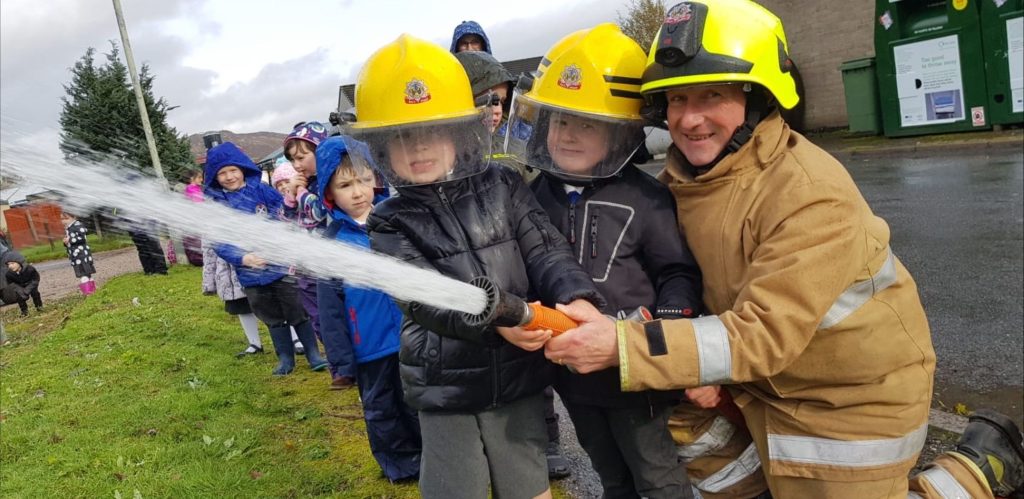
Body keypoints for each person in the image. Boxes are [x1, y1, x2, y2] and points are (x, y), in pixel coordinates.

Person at [543, 1, 1024, 499]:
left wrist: (623, 346)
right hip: (753, 386)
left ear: (758, 101)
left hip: (845, 400)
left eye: (713, 95)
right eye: (677, 99)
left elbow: (764, 333)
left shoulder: (810, 191)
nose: (690, 119)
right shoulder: (676, 185)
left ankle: (979, 467)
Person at [346, 34, 605, 499]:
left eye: (431, 131)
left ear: (459, 132)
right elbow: (422, 299)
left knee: (528, 481)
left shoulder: (504, 183)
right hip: (443, 380)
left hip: (517, 368)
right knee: (454, 486)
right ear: (380, 148)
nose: (418, 147)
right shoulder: (388, 220)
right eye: (401, 137)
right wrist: (497, 324)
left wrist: (575, 295)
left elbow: (546, 248)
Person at [506, 23, 702, 498]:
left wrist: (668, 325)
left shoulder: (647, 198)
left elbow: (677, 272)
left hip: (637, 376)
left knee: (657, 476)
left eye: (588, 124)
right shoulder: (531, 197)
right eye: (562, 121)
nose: (569, 136)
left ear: (621, 133)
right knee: (609, 474)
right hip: (571, 374)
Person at [314, 135, 421, 481]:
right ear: (329, 193)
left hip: (411, 340)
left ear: (377, 178)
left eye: (363, 179)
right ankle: (400, 464)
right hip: (369, 349)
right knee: (381, 409)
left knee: (417, 402)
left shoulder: (397, 224)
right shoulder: (331, 245)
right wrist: (342, 361)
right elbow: (329, 310)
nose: (358, 191)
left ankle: (431, 456)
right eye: (345, 184)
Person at [203, 141, 327, 376]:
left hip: (280, 267)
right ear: (214, 177)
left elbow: (283, 215)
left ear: (242, 169)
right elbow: (218, 241)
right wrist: (243, 258)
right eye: (222, 173)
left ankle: (313, 354)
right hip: (250, 275)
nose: (229, 177)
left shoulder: (262, 190)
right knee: (270, 315)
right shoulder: (216, 205)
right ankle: (285, 358)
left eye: (233, 170)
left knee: (297, 309)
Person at [281, 121, 355, 388]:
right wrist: (290, 198)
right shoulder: (303, 186)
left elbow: (319, 212)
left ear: (319, 151)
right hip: (306, 267)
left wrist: (300, 193)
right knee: (318, 318)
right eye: (292, 159)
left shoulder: (330, 182)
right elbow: (288, 221)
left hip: (331, 265)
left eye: (302, 157)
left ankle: (350, 362)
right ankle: (339, 367)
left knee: (340, 316)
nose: (297, 164)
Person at [202, 240, 264, 358]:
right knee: (241, 307)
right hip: (228, 278)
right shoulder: (209, 228)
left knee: (274, 305)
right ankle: (255, 344)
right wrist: (208, 283)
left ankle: (294, 339)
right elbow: (208, 255)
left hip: (254, 269)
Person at [453, 50, 515, 133]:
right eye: (487, 101)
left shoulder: (506, 145)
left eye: (502, 102)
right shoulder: (438, 144)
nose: (498, 110)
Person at [60, 211, 97, 296]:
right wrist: (65, 243)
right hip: (76, 256)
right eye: (62, 219)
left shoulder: (77, 226)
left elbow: (82, 238)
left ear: (74, 217)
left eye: (66, 218)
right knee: (86, 274)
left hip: (81, 255)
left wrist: (70, 240)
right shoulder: (69, 228)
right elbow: (70, 242)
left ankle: (88, 293)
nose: (63, 221)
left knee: (84, 274)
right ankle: (92, 292)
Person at [2, 250, 42, 315]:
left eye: (12, 263)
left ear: (20, 262)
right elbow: (12, 284)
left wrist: (27, 290)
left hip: (31, 284)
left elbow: (35, 280)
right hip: (20, 286)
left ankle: (39, 307)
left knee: (35, 293)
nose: (10, 266)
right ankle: (24, 311)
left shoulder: (30, 269)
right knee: (19, 297)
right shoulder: (9, 274)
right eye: (8, 264)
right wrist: (21, 291)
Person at [182, 169, 205, 266]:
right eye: (199, 177)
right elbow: (198, 204)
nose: (202, 179)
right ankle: (199, 259)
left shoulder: (196, 188)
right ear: (192, 178)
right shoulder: (191, 189)